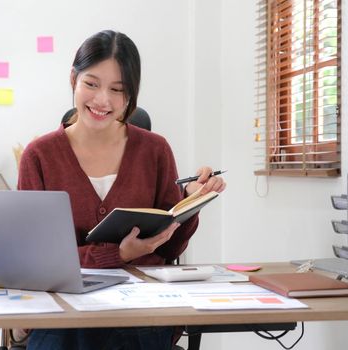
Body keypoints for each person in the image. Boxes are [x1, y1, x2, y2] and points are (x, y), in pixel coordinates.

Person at [17, 29, 226, 350]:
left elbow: (169, 251)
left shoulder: (155, 150)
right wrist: (119, 254)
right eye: (91, 84)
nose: (103, 100)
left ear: (131, 96)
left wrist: (191, 203)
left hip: (141, 318)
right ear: (72, 79)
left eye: (118, 89)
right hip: (64, 319)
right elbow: (37, 262)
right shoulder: (39, 155)